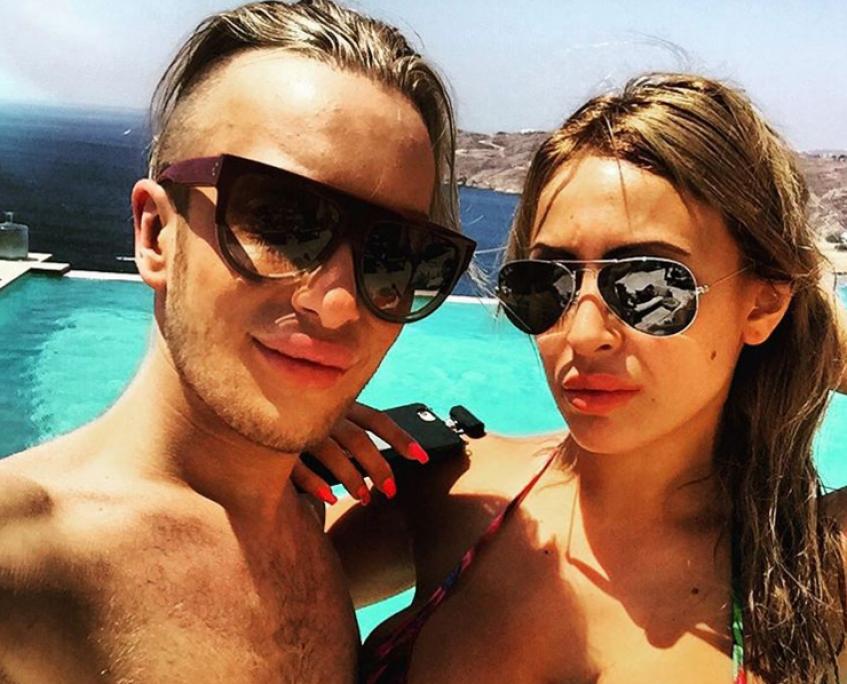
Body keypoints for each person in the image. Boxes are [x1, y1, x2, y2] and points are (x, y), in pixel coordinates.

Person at [300, 73, 847, 683]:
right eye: (546, 284)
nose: (582, 333)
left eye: (649, 286)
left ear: (763, 305)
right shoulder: (453, 490)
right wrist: (280, 460)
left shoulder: (813, 573)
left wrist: (803, 319)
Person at [0, 1, 475, 681]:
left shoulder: (309, 518)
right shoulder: (24, 560)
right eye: (281, 222)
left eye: (395, 255)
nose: (338, 305)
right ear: (156, 235)